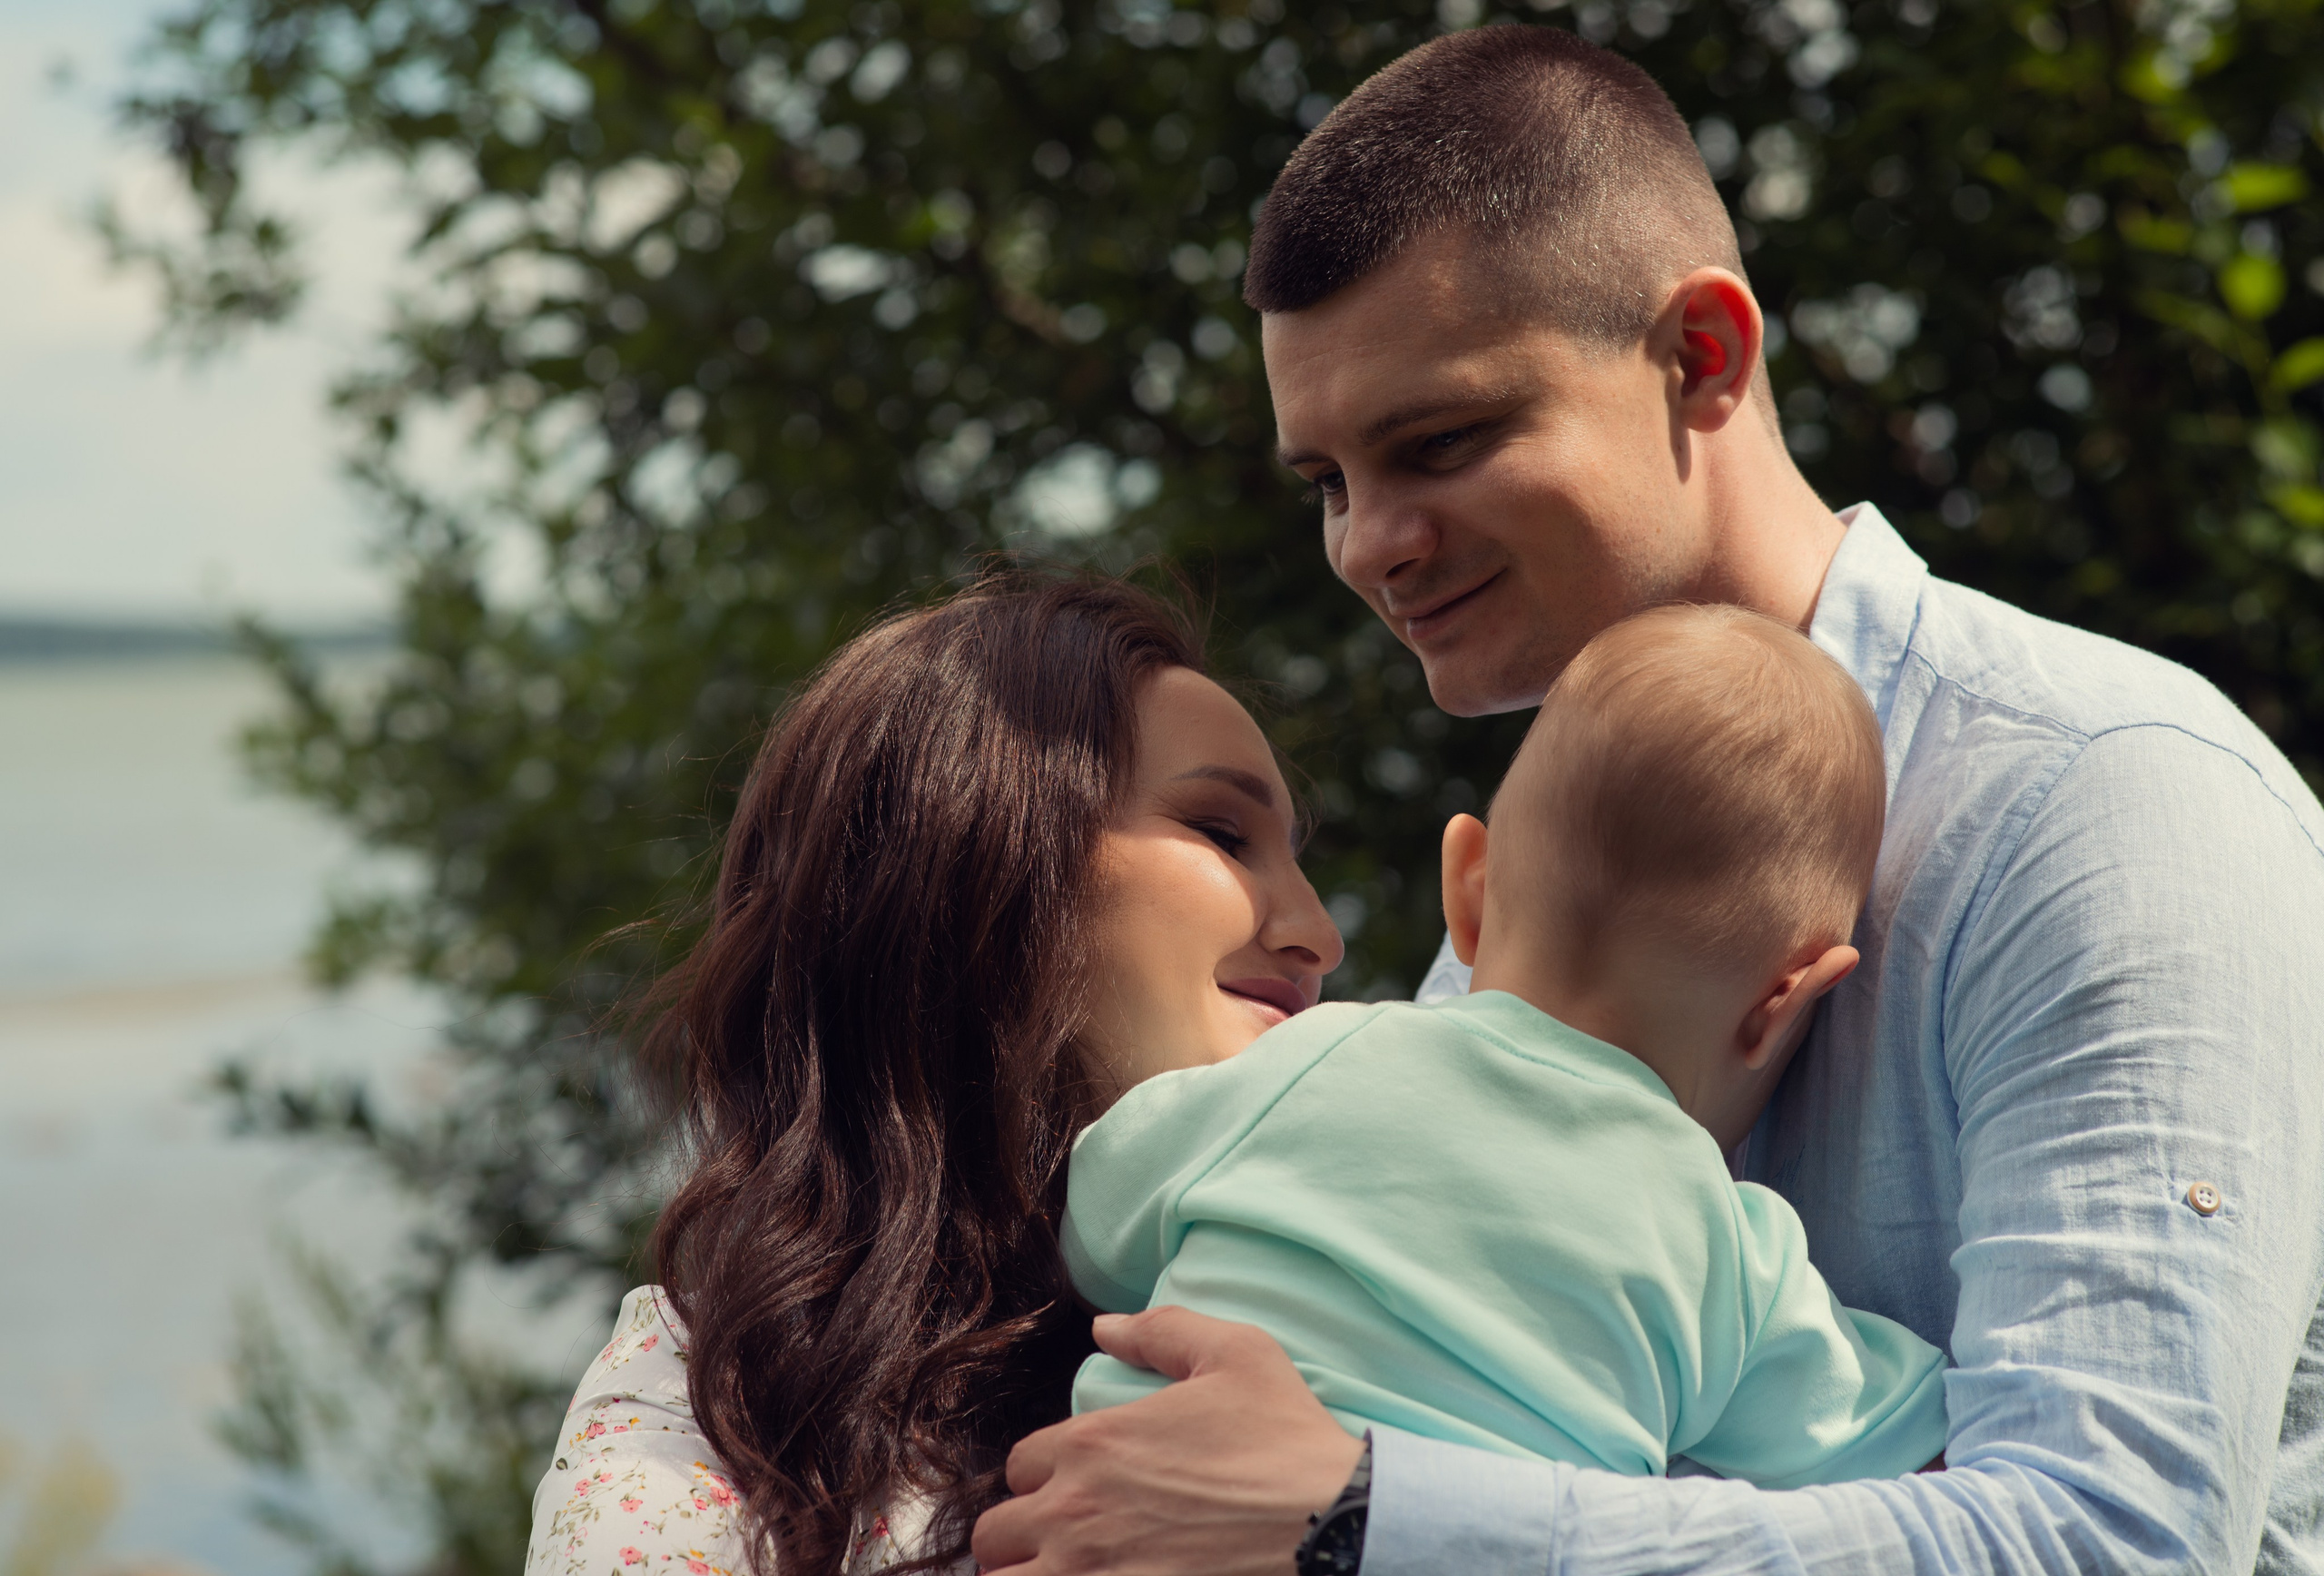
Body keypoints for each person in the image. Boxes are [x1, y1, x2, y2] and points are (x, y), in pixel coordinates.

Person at [969, 25, 2324, 1576]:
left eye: (1442, 441)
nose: (1369, 546)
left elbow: (2120, 1541)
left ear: (1702, 356)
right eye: (1330, 482)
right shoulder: (1487, 961)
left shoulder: (2109, 808)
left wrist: (1364, 1512)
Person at [522, 573, 1344, 1576]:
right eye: (1222, 832)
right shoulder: (705, 1409)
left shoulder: (1368, 1304)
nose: (1319, 935)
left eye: (1296, 857)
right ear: (982, 868)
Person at [1066, 606, 1949, 1487]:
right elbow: (1907, 1440)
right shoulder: (1728, 1247)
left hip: (1117, 1519)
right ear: (1785, 998)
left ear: (1469, 892)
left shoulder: (1311, 1058)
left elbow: (1098, 1227)